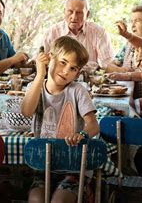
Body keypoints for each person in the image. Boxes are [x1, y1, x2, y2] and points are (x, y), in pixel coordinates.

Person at [21, 36, 100, 203]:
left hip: (74, 165)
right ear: (50, 58)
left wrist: (82, 134)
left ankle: (86, 191)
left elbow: (93, 125)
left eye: (73, 68)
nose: (66, 71)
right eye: (63, 62)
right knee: (36, 200)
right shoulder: (35, 88)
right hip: (44, 164)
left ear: (77, 73)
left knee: (60, 201)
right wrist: (40, 74)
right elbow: (27, 112)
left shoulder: (77, 91)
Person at [41, 0, 114, 70]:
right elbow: (41, 60)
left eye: (79, 13)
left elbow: (107, 64)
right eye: (70, 11)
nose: (74, 16)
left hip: (88, 78)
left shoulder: (99, 33)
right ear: (64, 12)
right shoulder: (52, 32)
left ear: (87, 14)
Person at [106, 5, 142, 74]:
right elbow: (109, 66)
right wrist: (123, 70)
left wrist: (126, 34)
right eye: (131, 21)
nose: (133, 25)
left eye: (137, 21)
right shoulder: (128, 44)